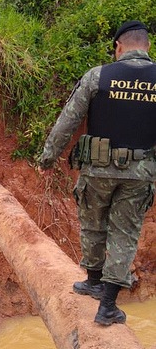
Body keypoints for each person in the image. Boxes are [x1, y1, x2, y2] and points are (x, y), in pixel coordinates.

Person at [38, 20, 156, 327]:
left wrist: (48, 158)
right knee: (124, 235)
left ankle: (93, 281)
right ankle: (107, 306)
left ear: (119, 47)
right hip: (140, 173)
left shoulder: (98, 76)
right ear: (147, 47)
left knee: (92, 224)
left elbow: (68, 120)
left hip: (97, 170)